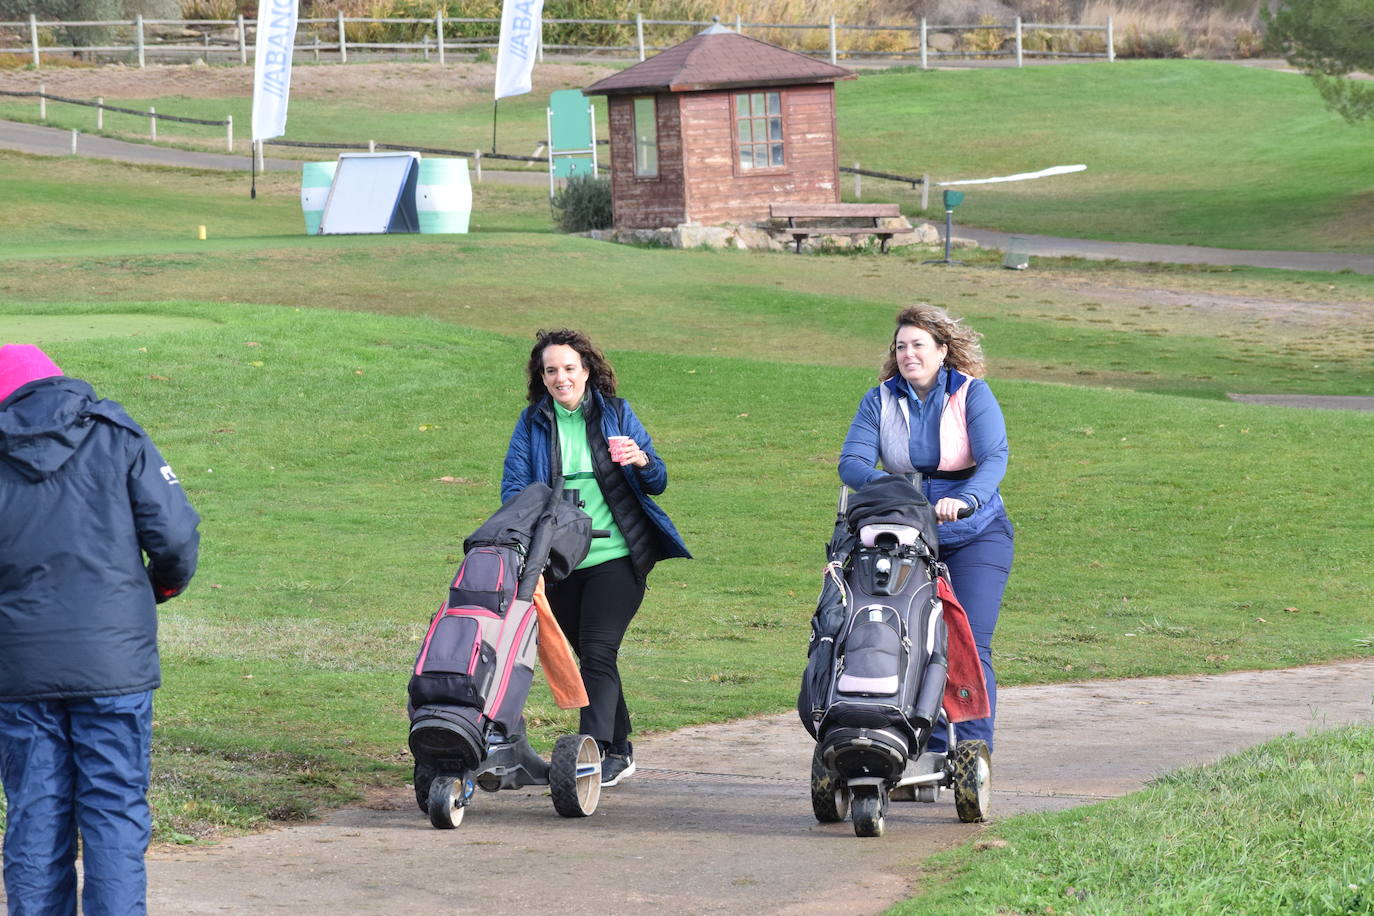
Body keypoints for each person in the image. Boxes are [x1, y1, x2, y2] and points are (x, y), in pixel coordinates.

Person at [0, 344, 200, 914]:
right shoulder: (118, 434)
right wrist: (158, 588)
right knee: (113, 809)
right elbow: (176, 538)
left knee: (36, 812)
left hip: (20, 669)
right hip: (112, 665)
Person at [501, 329, 689, 787]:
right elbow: (513, 492)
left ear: (587, 371)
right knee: (591, 654)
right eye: (551, 370)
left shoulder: (617, 414)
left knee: (599, 651)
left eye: (569, 368)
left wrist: (640, 459)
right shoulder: (532, 424)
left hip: (617, 556)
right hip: (559, 563)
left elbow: (658, 480)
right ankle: (621, 749)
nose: (560, 378)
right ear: (541, 377)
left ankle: (593, 751)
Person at [837, 305, 1013, 755]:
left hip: (974, 532)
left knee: (966, 640)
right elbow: (852, 464)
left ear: (942, 350)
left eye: (918, 345)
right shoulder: (879, 399)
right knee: (906, 635)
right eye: (901, 347)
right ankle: (923, 745)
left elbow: (993, 458)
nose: (908, 354)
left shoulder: (973, 394)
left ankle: (972, 749)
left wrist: (966, 500)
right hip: (908, 535)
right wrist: (905, 492)